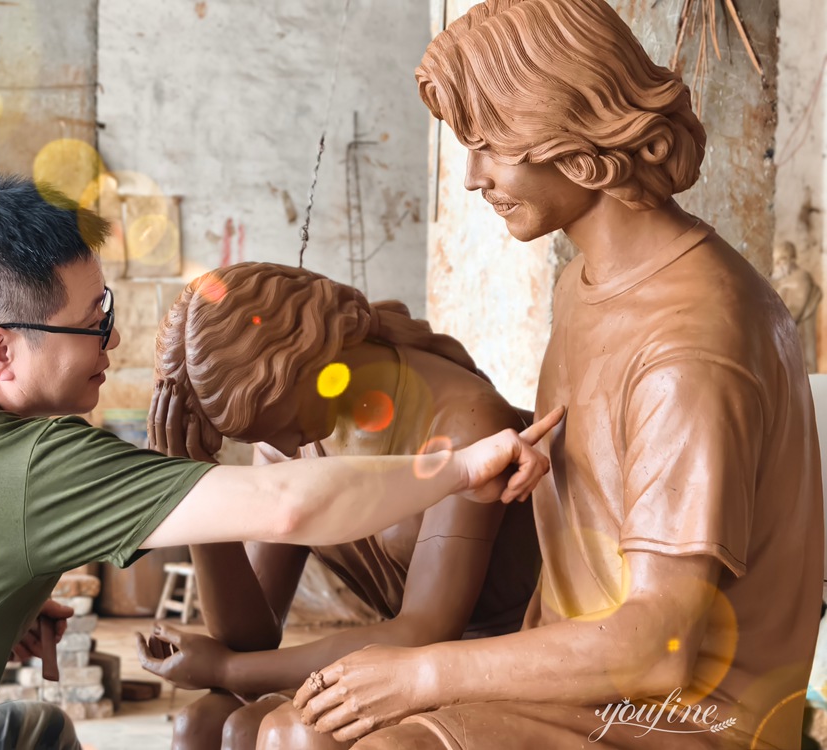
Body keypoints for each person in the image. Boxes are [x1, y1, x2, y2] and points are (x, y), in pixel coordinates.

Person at [257, 1, 824, 749]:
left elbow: (659, 645)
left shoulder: (692, 342)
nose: (472, 178)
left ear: (575, 145)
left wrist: (425, 672)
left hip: (680, 715)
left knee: (334, 738)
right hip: (587, 678)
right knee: (285, 727)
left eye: (488, 145)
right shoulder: (583, 284)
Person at [0, 174, 560, 750]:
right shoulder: (37, 464)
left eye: (107, 312)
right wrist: (463, 469)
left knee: (53, 727)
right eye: (92, 324)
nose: (112, 342)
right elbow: (287, 508)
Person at [135, 262, 542, 750]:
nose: (279, 446)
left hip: (488, 661)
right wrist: (194, 482)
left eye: (273, 423)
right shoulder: (291, 432)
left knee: (280, 732)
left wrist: (227, 669)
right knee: (201, 723)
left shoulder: (464, 423)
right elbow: (253, 634)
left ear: (301, 357)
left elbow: (424, 632)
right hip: (392, 654)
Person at [771, 239, 822, 372]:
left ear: (791, 259)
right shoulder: (784, 281)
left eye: (781, 261)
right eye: (776, 262)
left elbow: (795, 309)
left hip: (798, 333)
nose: (778, 266)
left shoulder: (801, 278)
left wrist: (774, 323)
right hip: (789, 335)